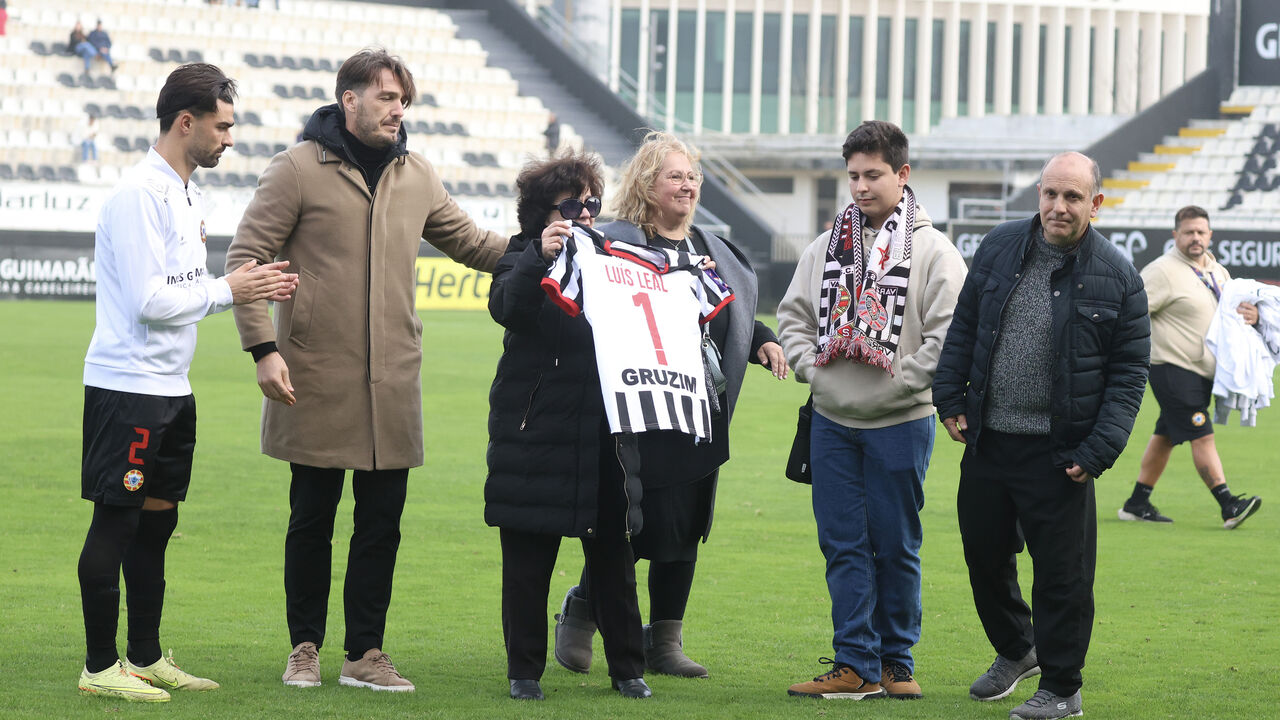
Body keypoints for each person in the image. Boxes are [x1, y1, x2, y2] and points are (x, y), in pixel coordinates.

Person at [225, 47, 509, 693]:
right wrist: (262, 349)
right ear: (348, 98)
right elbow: (248, 256)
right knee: (312, 519)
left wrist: (540, 246)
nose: (397, 110)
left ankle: (365, 654)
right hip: (314, 374)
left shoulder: (418, 174)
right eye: (386, 97)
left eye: (403, 100)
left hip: (394, 381)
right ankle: (304, 647)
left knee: (381, 525)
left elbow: (472, 244)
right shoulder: (296, 168)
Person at [77, 63, 297, 703]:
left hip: (172, 387)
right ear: (186, 122)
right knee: (115, 523)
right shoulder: (139, 195)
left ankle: (144, 656)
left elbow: (183, 291)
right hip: (128, 386)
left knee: (157, 523)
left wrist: (239, 289)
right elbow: (150, 300)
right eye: (223, 126)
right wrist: (232, 289)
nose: (229, 138)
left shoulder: (185, 193)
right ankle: (98, 666)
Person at [551, 131, 789, 680]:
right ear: (646, 184)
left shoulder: (714, 251)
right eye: (675, 176)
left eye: (692, 177)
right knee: (632, 526)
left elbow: (729, 316)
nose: (687, 185)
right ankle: (582, 610)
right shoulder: (613, 242)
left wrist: (761, 341)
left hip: (699, 414)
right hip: (635, 412)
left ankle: (664, 642)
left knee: (682, 530)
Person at [932, 151, 1150, 720]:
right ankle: (1017, 650)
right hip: (988, 441)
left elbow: (1129, 377)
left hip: (1062, 454)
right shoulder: (999, 247)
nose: (1058, 206)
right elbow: (966, 327)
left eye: (1073, 197)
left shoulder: (1120, 278)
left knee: (1063, 577)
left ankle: (1062, 688)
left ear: (1095, 204)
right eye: (1050, 193)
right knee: (983, 557)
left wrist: (1098, 451)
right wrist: (949, 397)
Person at [777, 120, 967, 701]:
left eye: (873, 175)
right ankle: (854, 664)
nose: (860, 186)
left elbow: (947, 338)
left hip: (901, 424)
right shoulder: (826, 245)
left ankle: (895, 665)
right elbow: (793, 316)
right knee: (842, 544)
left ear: (902, 174)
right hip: (833, 422)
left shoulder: (934, 252)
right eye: (853, 175)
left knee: (896, 544)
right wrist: (814, 370)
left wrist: (902, 384)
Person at [485, 151, 654, 701]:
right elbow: (507, 308)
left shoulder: (610, 257)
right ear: (542, 211)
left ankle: (629, 669)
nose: (586, 213)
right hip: (534, 435)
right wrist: (540, 254)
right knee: (528, 563)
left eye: (592, 203)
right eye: (573, 204)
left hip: (604, 435)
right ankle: (524, 672)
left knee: (614, 559)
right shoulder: (518, 256)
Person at [1120, 206, 1262, 528]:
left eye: (1201, 232)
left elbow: (1231, 315)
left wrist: (1252, 316)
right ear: (1176, 236)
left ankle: (1137, 502)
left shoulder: (1218, 271)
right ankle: (1228, 505)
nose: (1195, 238)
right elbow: (1130, 312)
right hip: (1172, 368)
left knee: (1166, 434)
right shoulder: (1161, 271)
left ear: (1210, 235)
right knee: (1202, 433)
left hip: (1204, 372)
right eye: (1188, 232)